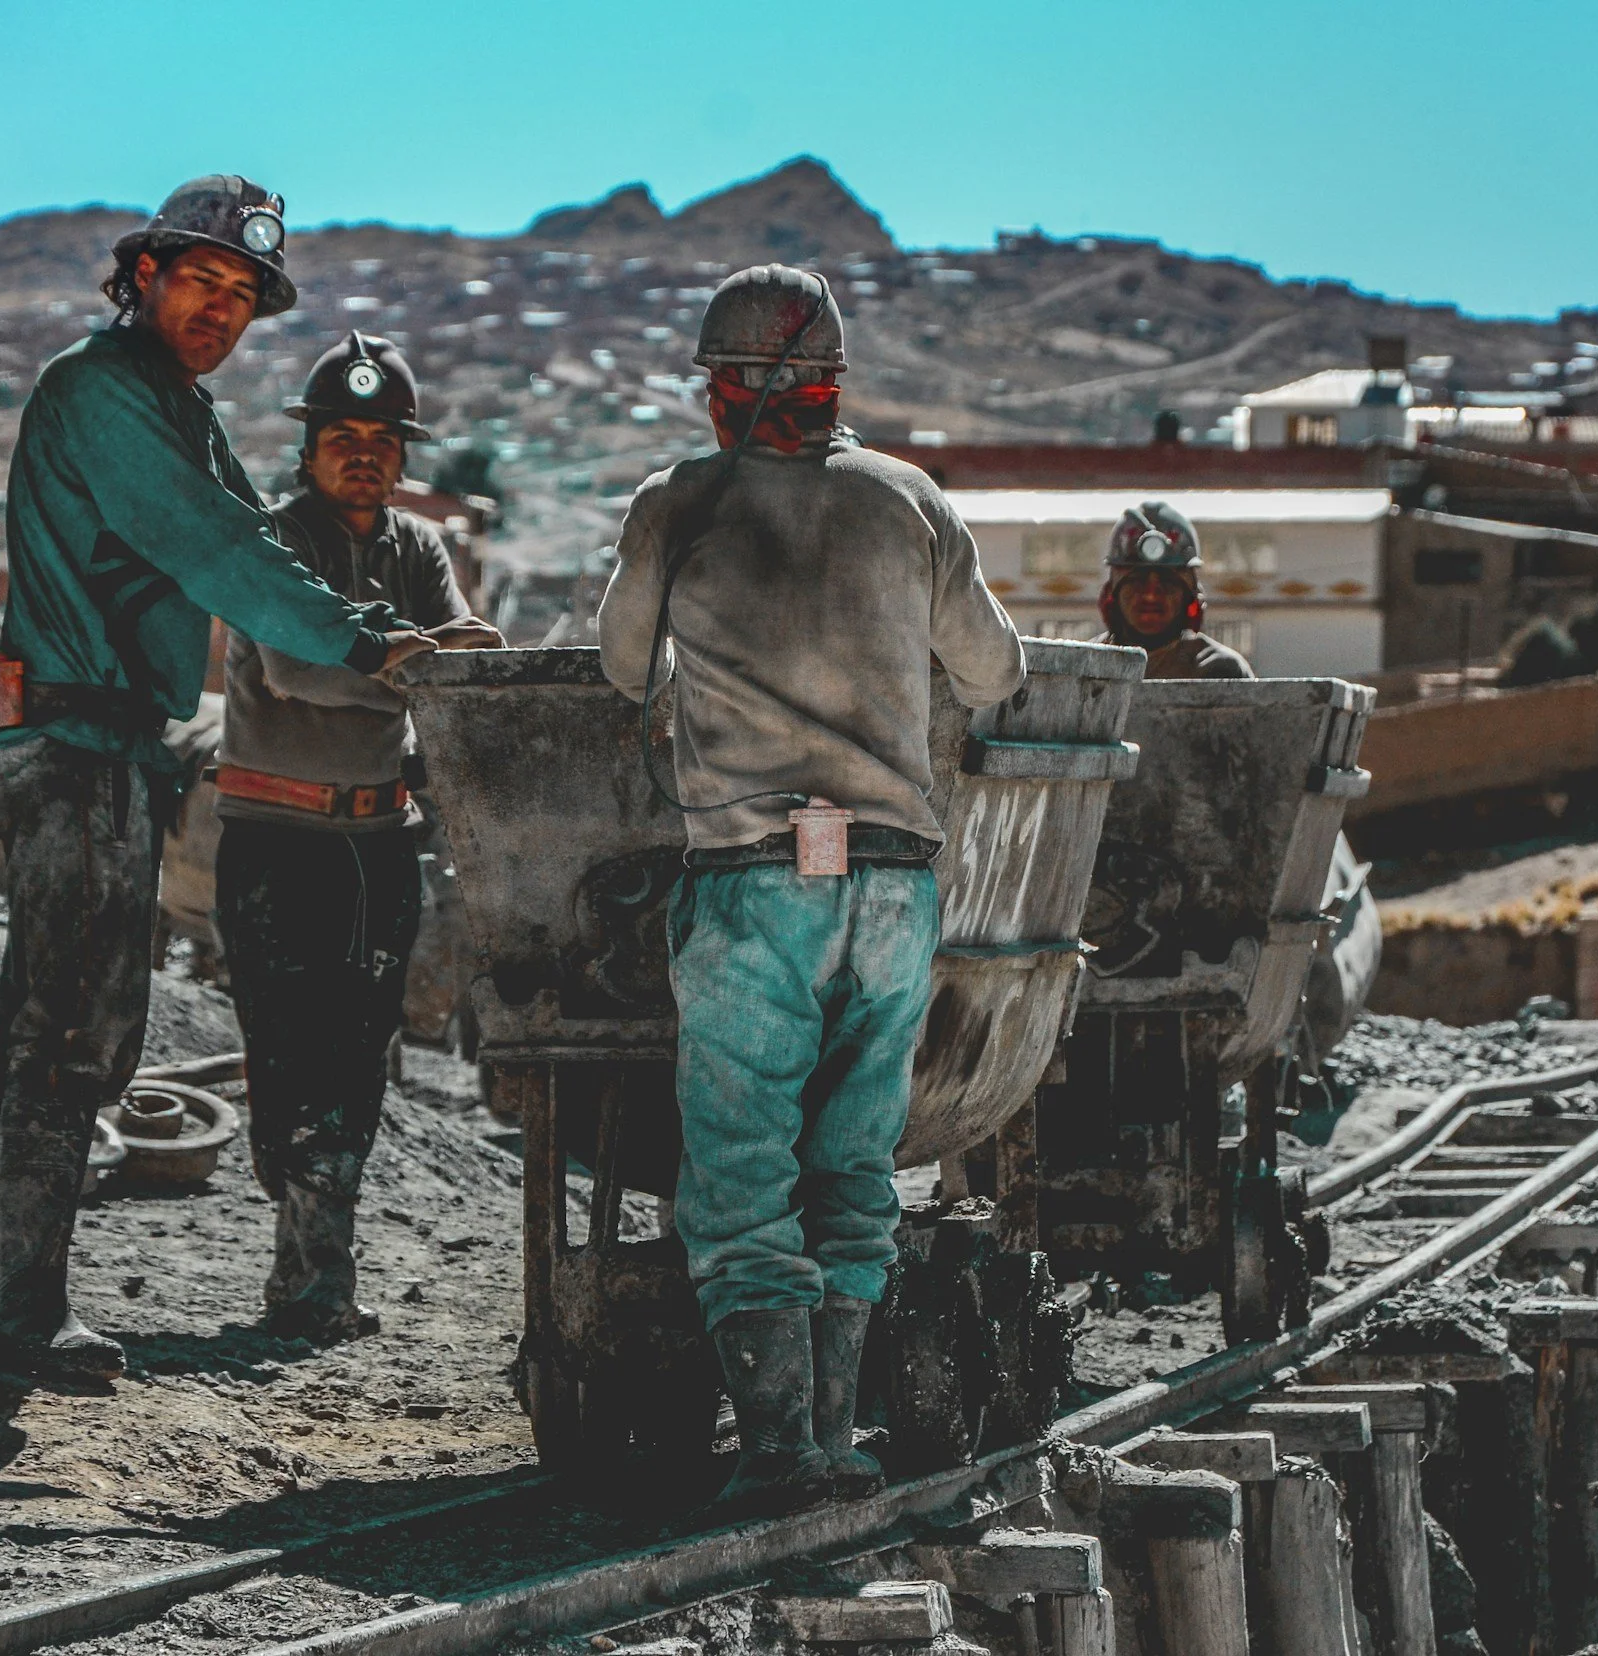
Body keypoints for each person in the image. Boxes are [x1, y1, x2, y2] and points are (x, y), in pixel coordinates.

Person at [0, 176, 454, 1382]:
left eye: (242, 293)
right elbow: (220, 548)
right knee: (67, 1028)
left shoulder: (174, 405)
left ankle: (3, 1305)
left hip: (107, 743)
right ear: (145, 275)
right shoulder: (107, 392)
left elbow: (252, 536)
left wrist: (367, 618)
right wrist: (369, 642)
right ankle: (14, 1315)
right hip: (71, 742)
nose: (220, 309)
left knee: (65, 1024)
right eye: (202, 280)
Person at [597, 264, 1025, 1513]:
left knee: (739, 1176)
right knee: (852, 1167)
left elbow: (623, 666)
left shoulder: (678, 500)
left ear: (720, 391)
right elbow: (992, 669)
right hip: (892, 888)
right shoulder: (910, 500)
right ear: (836, 380)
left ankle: (777, 1443)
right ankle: (835, 1437)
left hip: (751, 887)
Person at [216, 331, 499, 1344]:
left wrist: (431, 659)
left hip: (378, 843)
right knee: (288, 1056)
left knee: (360, 1056)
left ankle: (312, 1286)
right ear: (310, 449)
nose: (365, 455)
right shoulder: (270, 542)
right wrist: (400, 664)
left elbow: (459, 656)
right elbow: (296, 669)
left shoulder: (415, 549)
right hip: (277, 840)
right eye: (344, 437)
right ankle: (308, 1276)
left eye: (383, 439)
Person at [1093, 501, 1252, 680]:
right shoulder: (1085, 666)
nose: (1151, 595)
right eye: (1137, 581)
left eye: (1167, 583)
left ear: (1189, 596)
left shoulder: (1219, 670)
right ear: (1112, 593)